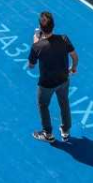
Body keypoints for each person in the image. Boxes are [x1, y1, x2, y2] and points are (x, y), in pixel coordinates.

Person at [28, 11, 78, 144]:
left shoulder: (37, 45)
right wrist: (73, 68)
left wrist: (35, 43)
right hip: (64, 80)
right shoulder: (64, 39)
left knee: (43, 105)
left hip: (46, 84)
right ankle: (66, 131)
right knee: (64, 103)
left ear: (40, 28)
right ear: (53, 26)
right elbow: (74, 56)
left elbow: (31, 65)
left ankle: (48, 134)